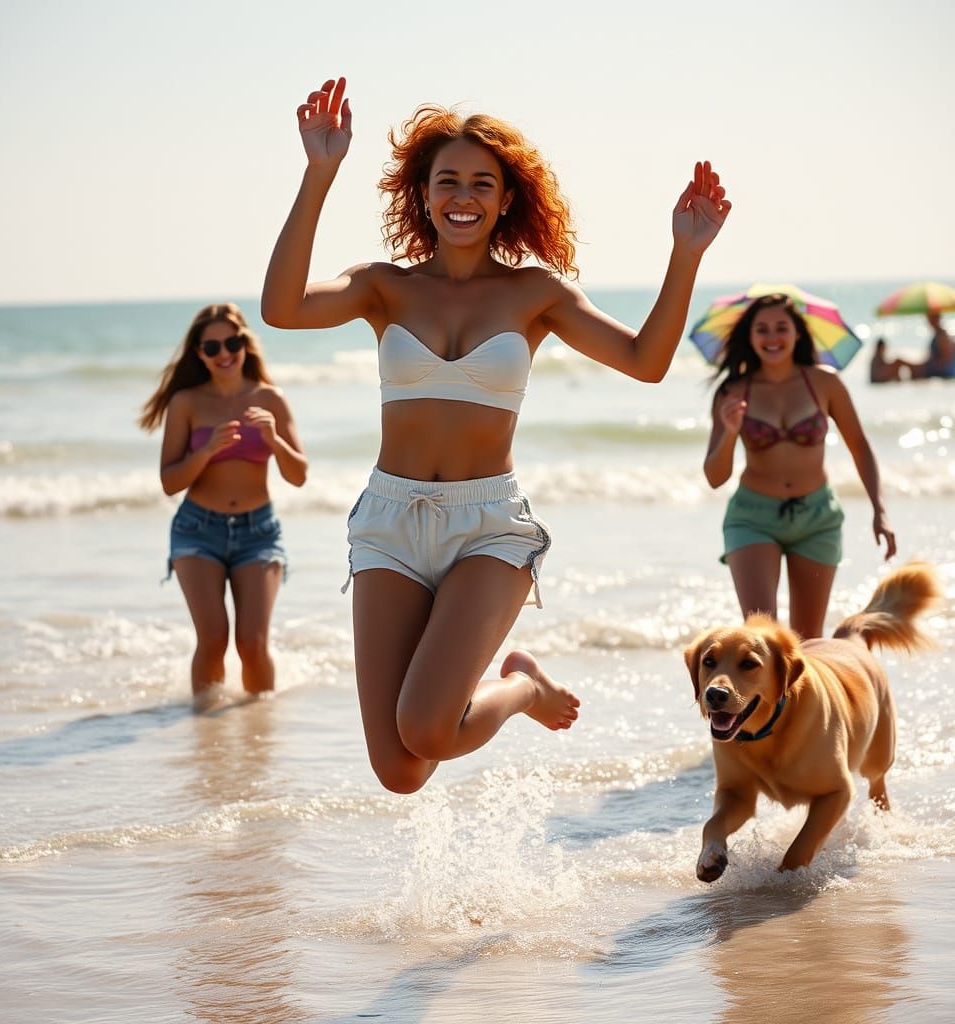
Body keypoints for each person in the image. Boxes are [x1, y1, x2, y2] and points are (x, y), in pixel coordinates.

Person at [262, 77, 730, 794]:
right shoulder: (383, 285)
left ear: (505, 199)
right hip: (389, 524)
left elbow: (646, 361)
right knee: (401, 771)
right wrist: (318, 172)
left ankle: (523, 692)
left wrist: (686, 253)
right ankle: (518, 686)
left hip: (488, 527)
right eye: (447, 180)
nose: (464, 196)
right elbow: (282, 308)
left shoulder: (535, 294)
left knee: (424, 728)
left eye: (483, 183)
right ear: (423, 192)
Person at [140, 303, 308, 709]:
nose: (224, 353)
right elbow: (169, 482)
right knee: (213, 637)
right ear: (199, 353)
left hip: (259, 532)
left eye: (232, 342)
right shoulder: (186, 403)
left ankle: (260, 731)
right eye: (212, 347)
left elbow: (298, 474)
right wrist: (207, 450)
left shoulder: (270, 398)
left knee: (252, 642)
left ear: (245, 344)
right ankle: (203, 732)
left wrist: (273, 439)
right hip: (198, 530)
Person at [703, 293, 896, 639]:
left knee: (807, 640)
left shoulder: (824, 382)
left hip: (817, 518)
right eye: (762, 329)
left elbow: (861, 449)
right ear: (750, 336)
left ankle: (799, 697)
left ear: (797, 334)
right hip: (752, 518)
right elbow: (715, 478)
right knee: (761, 636)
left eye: (781, 328)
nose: (772, 337)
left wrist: (880, 510)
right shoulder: (732, 391)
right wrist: (730, 432)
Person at [907, 311, 955, 380]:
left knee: (902, 363)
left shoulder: (942, 335)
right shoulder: (939, 334)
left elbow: (946, 360)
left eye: (931, 318)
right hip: (940, 370)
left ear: (938, 318)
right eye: (929, 318)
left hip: (944, 372)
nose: (929, 321)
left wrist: (926, 366)